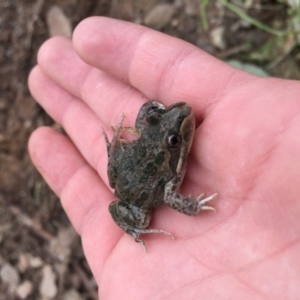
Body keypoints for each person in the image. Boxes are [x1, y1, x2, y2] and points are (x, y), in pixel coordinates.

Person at [28, 17, 300, 299]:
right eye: (175, 140)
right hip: (133, 198)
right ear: (174, 148)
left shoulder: (157, 137)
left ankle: (119, 152)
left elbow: (147, 115)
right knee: (142, 219)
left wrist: (147, 122)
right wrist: (193, 208)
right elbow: (169, 197)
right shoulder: (169, 181)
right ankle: (136, 226)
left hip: (123, 172)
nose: (181, 114)